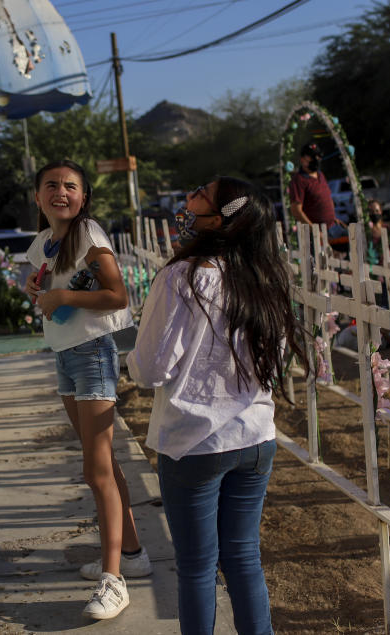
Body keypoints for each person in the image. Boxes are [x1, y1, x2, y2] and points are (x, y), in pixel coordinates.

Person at [127, 177, 307, 634]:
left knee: (198, 568)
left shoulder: (182, 277)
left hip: (196, 442)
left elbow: (150, 369)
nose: (188, 200)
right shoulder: (266, 277)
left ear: (221, 218)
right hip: (255, 438)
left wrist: (127, 357)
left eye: (199, 194)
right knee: (245, 560)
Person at [24, 159, 150, 621]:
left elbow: (117, 295)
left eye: (70, 186)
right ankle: (132, 556)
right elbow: (40, 287)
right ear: (37, 197)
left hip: (93, 352)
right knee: (104, 464)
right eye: (51, 185)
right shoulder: (44, 242)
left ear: (83, 197)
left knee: (96, 471)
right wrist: (35, 289)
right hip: (65, 354)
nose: (61, 192)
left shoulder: (90, 235)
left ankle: (113, 581)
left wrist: (64, 297)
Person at [288, 142, 336, 228]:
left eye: (318, 156)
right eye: (312, 157)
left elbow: (328, 198)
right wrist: (314, 231)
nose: (316, 159)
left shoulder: (320, 175)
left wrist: (333, 218)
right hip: (317, 234)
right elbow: (296, 210)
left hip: (332, 227)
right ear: (302, 159)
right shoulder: (299, 180)